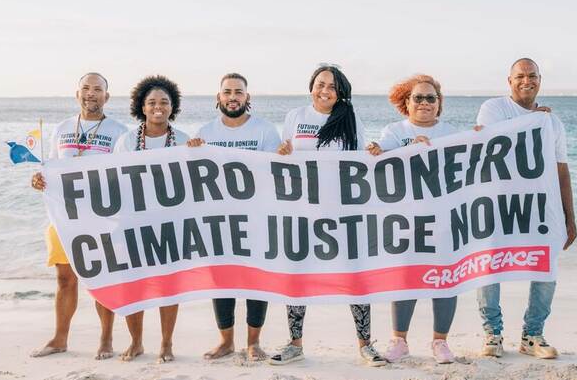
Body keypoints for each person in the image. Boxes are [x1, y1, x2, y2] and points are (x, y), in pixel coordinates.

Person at [268, 65, 387, 367]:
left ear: (340, 92)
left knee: (355, 275)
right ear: (311, 86)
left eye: (332, 86)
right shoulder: (296, 116)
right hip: (303, 209)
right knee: (297, 275)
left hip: (343, 211)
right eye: (320, 84)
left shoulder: (349, 118)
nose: (325, 90)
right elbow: (285, 157)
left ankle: (366, 345)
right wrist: (281, 152)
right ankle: (295, 344)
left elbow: (361, 159)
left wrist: (375, 152)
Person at [29, 72, 137, 361]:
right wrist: (40, 179)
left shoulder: (119, 131)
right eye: (85, 89)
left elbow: (125, 177)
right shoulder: (61, 128)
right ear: (77, 94)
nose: (91, 94)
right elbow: (51, 167)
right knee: (65, 279)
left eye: (97, 89)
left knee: (102, 278)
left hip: (100, 217)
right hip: (64, 216)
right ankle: (59, 338)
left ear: (106, 96)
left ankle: (106, 339)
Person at [474, 58, 577, 360]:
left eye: (532, 76)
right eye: (520, 76)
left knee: (546, 265)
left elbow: (561, 171)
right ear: (509, 81)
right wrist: (533, 121)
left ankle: (532, 335)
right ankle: (492, 334)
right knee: (489, 264)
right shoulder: (494, 108)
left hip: (540, 206)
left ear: (540, 80)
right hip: (497, 202)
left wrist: (570, 219)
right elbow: (496, 142)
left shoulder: (552, 123)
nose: (526, 81)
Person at [186, 72, 281, 362]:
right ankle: (226, 341)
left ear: (247, 98)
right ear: (219, 98)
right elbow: (193, 178)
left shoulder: (265, 131)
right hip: (218, 220)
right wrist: (191, 154)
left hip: (256, 217)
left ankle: (253, 343)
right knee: (222, 279)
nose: (233, 97)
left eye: (238, 92)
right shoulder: (206, 132)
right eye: (227, 92)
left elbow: (274, 173)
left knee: (256, 279)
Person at [366, 74, 459, 364]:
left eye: (431, 98)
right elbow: (382, 165)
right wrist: (389, 151)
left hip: (443, 218)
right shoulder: (394, 131)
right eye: (418, 97)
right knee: (406, 277)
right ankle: (400, 341)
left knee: (444, 278)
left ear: (438, 103)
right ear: (407, 102)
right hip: (405, 219)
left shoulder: (453, 133)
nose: (425, 103)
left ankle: (440, 342)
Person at [113, 74, 189, 363]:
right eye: (152, 102)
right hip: (132, 223)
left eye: (164, 102)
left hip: (171, 225)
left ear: (172, 107)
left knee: (168, 286)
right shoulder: (127, 141)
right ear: (142, 107)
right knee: (132, 284)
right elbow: (113, 179)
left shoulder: (182, 140)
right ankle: (136, 342)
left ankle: (166, 344)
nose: (158, 107)